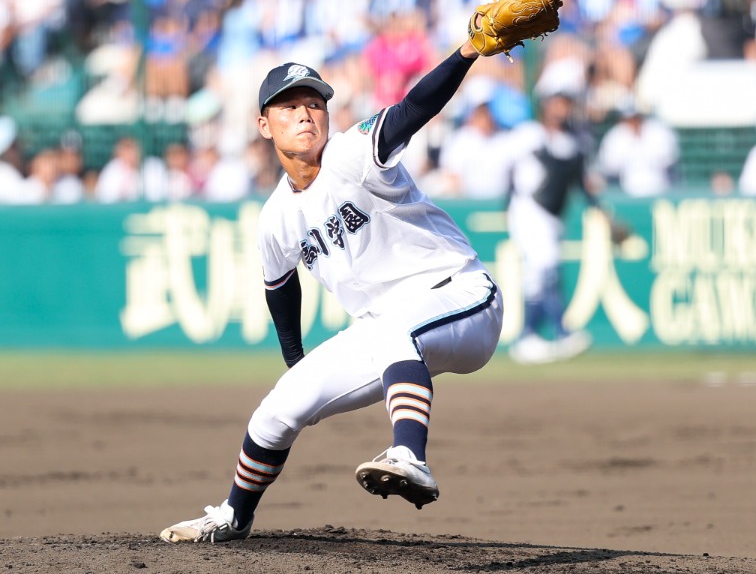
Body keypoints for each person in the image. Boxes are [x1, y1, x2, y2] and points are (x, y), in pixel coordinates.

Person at [159, 30, 506, 543]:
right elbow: (280, 288)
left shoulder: (352, 153)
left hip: (462, 296)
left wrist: (467, 53)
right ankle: (234, 515)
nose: (305, 114)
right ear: (263, 124)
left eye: (315, 104)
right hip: (387, 330)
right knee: (280, 408)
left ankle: (409, 456)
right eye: (289, 107)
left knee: (394, 330)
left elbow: (414, 108)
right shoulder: (276, 216)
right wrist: (297, 363)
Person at [506, 84, 594, 365]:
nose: (561, 108)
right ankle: (561, 331)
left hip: (554, 215)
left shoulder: (574, 141)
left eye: (566, 102)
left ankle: (528, 336)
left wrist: (600, 210)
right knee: (546, 269)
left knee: (537, 277)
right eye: (557, 102)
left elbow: (580, 182)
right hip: (528, 210)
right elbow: (515, 171)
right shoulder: (529, 133)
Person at [594, 100, 680, 196]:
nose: (632, 122)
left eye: (635, 118)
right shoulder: (615, 136)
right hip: (627, 190)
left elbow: (668, 158)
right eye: (627, 119)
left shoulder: (658, 131)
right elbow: (609, 165)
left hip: (660, 187)